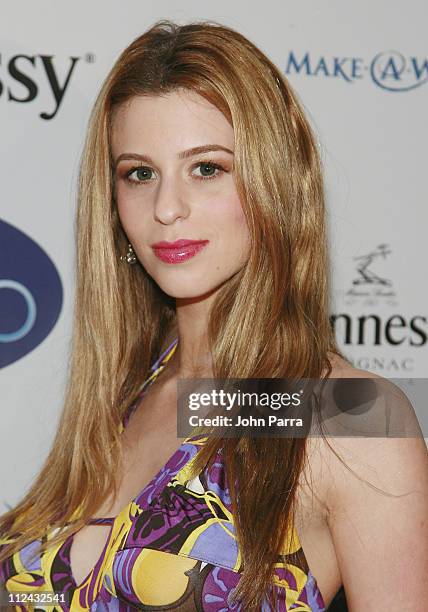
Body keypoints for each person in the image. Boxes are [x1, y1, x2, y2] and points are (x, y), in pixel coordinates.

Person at [0, 19, 427, 612]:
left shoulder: (347, 415)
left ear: (275, 184)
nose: (167, 208)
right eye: (139, 173)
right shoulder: (117, 398)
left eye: (207, 168)